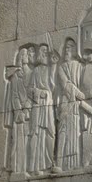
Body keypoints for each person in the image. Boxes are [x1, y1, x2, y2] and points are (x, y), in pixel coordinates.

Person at [53, 38, 90, 172]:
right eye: (66, 48)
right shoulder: (61, 68)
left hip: (75, 106)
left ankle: (73, 163)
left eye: (70, 48)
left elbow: (87, 81)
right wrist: (79, 93)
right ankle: (59, 162)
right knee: (62, 132)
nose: (67, 51)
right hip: (65, 103)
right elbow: (65, 85)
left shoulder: (79, 66)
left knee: (74, 133)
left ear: (75, 50)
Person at [1, 45, 31, 175]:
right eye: (26, 55)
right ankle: (15, 168)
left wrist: (27, 108)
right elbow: (14, 96)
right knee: (16, 141)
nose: (28, 57)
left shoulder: (29, 73)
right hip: (18, 112)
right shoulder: (15, 76)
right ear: (21, 58)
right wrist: (19, 111)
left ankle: (23, 168)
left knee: (25, 142)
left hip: (28, 112)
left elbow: (31, 93)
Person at [26, 43, 56, 175]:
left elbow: (54, 85)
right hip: (38, 106)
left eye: (46, 52)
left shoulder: (50, 69)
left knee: (50, 133)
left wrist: (54, 65)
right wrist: (39, 93)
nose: (44, 54)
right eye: (42, 52)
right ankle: (34, 167)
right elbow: (30, 90)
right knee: (36, 135)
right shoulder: (36, 71)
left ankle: (49, 164)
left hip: (48, 105)